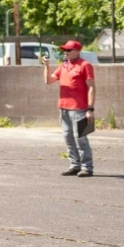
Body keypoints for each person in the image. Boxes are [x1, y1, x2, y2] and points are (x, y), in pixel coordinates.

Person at [44, 41, 95, 177]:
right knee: (68, 138)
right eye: (64, 50)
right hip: (64, 108)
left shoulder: (85, 65)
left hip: (79, 108)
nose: (65, 52)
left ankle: (87, 167)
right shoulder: (63, 65)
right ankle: (74, 165)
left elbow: (91, 87)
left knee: (81, 138)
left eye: (69, 50)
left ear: (77, 51)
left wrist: (90, 109)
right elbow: (49, 81)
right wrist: (47, 66)